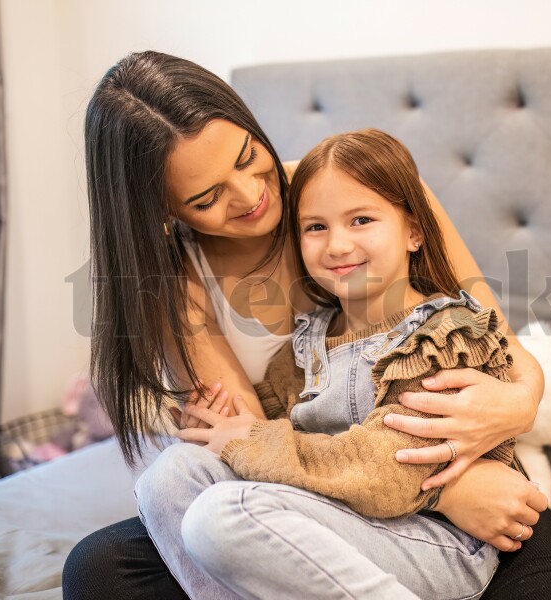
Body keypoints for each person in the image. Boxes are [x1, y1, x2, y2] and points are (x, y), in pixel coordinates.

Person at [63, 51, 551, 599]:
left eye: (249, 156)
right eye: (207, 197)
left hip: (453, 489)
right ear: (163, 210)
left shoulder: (361, 185)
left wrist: (518, 404)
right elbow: (258, 446)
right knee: (121, 541)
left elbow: (498, 345)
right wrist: (438, 492)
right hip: (324, 488)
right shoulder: (178, 283)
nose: (251, 195)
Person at [135, 128, 521, 599]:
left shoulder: (442, 337)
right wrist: (217, 429)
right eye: (316, 228)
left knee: (221, 514)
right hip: (343, 519)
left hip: (436, 536)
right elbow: (273, 429)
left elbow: (393, 473)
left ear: (414, 231)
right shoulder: (307, 343)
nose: (337, 245)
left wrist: (251, 442)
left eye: (361, 220)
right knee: (170, 476)